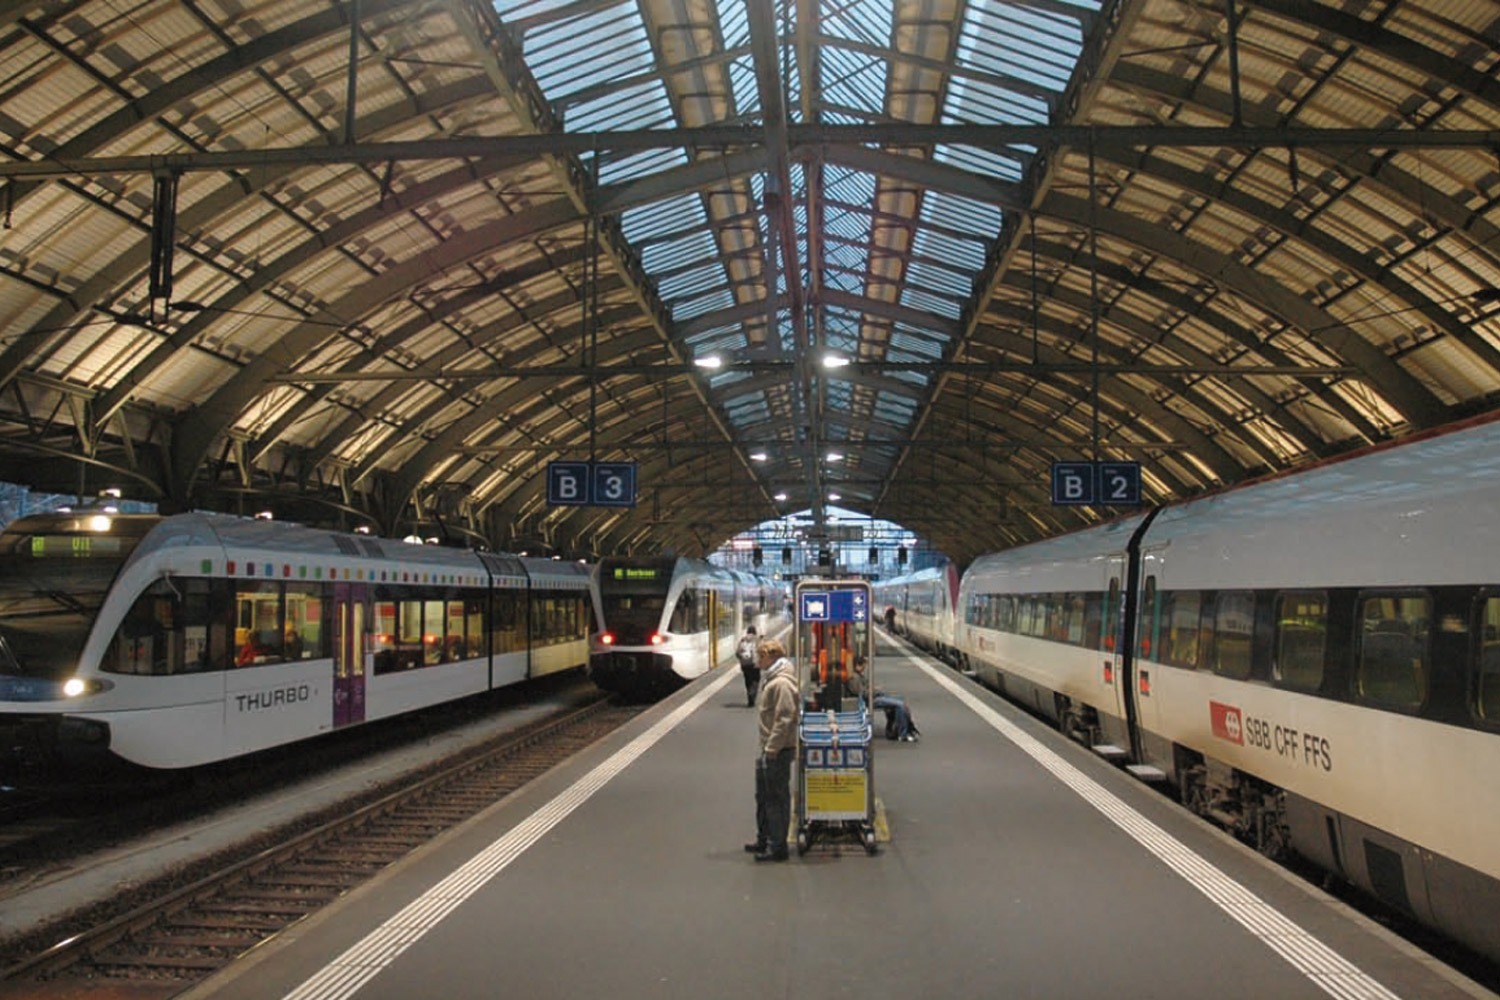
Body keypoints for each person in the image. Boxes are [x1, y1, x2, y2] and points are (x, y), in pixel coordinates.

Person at [746, 637, 798, 862]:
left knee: (776, 799)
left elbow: (785, 718)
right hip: (769, 748)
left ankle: (778, 847)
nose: (758, 660)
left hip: (777, 751)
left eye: (761, 656)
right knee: (764, 796)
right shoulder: (772, 679)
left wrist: (772, 749)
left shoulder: (782, 683)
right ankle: (764, 839)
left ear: (773, 657)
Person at [849, 654, 919, 742]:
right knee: (900, 705)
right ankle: (903, 733)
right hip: (871, 700)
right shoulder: (854, 678)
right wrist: (875, 691)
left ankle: (899, 729)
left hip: (874, 697)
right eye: (863, 665)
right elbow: (862, 693)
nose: (864, 668)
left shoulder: (858, 676)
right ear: (859, 665)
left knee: (899, 701)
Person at [736, 625, 760, 706]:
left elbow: (737, 653)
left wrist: (742, 659)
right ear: (755, 631)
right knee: (756, 679)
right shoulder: (757, 639)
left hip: (745, 664)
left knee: (747, 680)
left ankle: (750, 696)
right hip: (755, 663)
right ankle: (753, 693)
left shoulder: (743, 640)